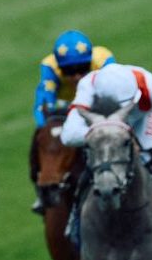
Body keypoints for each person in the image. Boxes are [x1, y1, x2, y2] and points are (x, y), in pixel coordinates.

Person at [60, 63, 152, 244]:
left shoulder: (150, 86)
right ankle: (76, 217)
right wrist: (107, 134)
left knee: (146, 160)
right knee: (96, 165)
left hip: (142, 121)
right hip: (102, 128)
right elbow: (68, 135)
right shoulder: (87, 87)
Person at [31, 30, 116, 213]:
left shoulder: (104, 61)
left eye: (82, 69)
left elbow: (114, 98)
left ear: (90, 63)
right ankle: (42, 190)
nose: (76, 77)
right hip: (67, 106)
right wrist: (45, 127)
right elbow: (43, 103)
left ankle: (151, 169)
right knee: (41, 139)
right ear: (60, 68)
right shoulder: (49, 67)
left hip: (99, 102)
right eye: (69, 71)